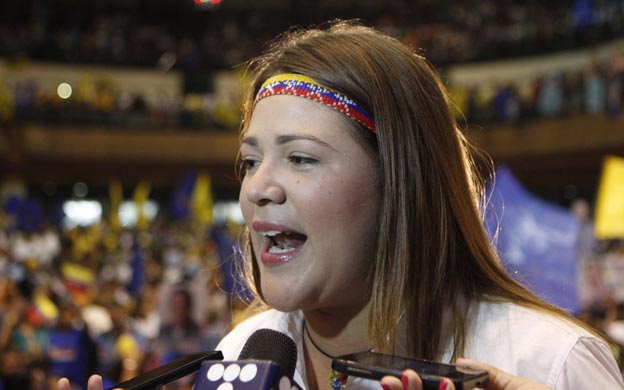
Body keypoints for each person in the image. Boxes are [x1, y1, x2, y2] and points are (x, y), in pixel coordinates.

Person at [59, 20, 623, 390]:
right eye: (250, 161)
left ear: (402, 182)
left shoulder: (552, 364)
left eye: (301, 158)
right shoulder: (239, 355)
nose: (257, 188)